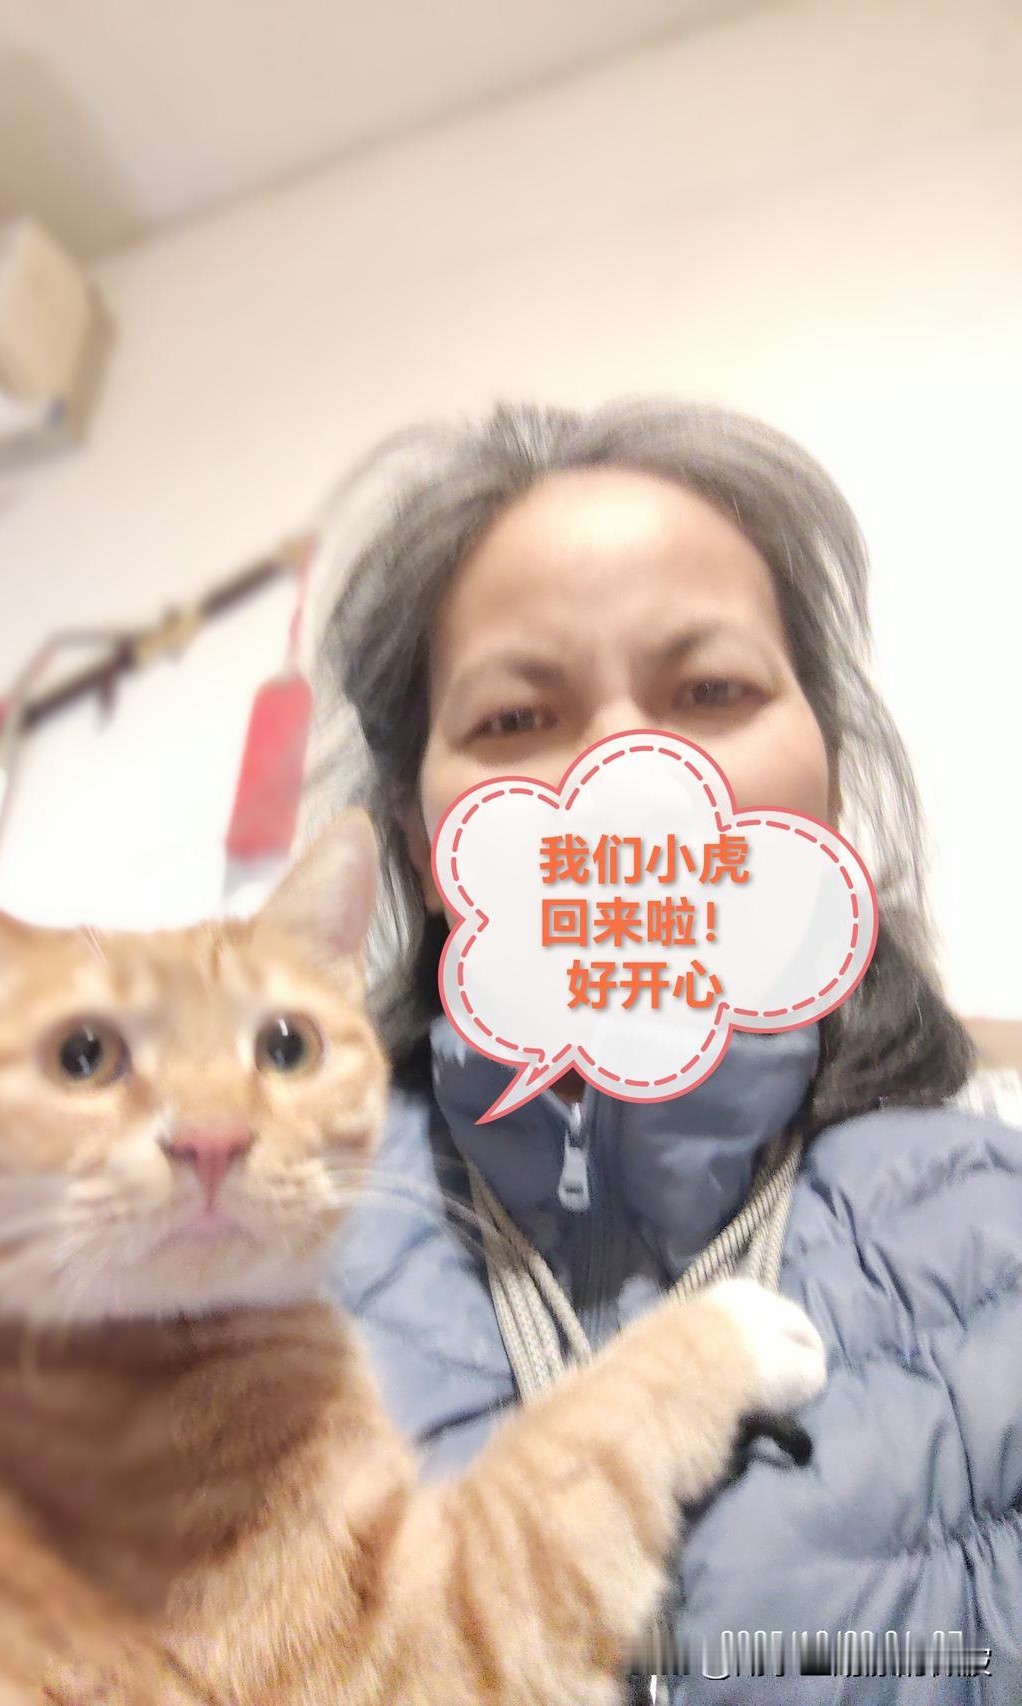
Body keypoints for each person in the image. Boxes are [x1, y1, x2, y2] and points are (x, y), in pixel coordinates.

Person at [312, 399, 1022, 1704]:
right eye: (515, 718)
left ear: (825, 774)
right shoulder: (252, 1251)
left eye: (711, 692)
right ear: (420, 838)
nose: (629, 770)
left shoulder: (1001, 1223)